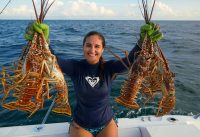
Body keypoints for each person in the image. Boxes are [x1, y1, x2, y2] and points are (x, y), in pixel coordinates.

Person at [26, 22, 161, 137]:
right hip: (81, 125)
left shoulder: (109, 68)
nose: (92, 50)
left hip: (107, 123)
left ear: (102, 49)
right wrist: (43, 41)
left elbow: (128, 61)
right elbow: (54, 61)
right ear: (83, 47)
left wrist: (141, 43)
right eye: (88, 45)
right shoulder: (75, 67)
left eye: (97, 46)